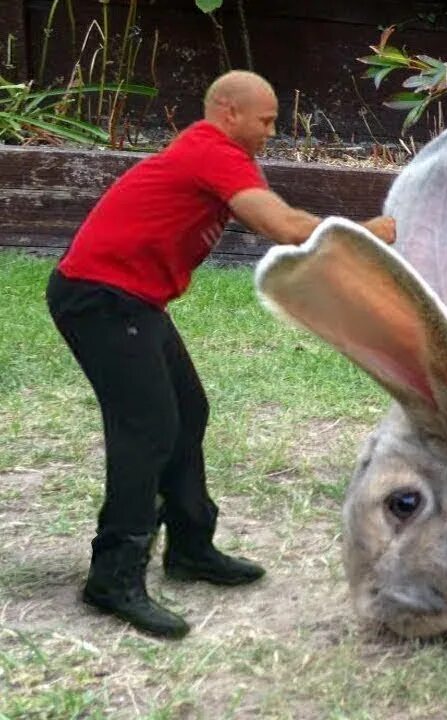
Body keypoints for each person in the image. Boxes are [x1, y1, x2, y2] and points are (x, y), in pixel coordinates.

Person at [45, 70, 397, 639]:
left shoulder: (218, 157)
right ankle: (112, 577)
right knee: (149, 428)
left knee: (187, 412)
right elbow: (281, 226)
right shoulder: (210, 149)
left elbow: (280, 230)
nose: (272, 131)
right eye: (266, 120)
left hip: (132, 299)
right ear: (229, 111)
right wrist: (367, 233)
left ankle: (190, 549)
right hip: (101, 298)